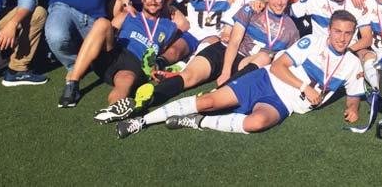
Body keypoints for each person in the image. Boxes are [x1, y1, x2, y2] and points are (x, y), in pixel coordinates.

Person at [116, 10, 365, 138]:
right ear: (330, 30)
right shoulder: (312, 42)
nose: (342, 38)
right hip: (266, 80)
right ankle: (141, 121)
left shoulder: (353, 64)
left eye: (348, 33)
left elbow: (353, 93)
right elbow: (278, 66)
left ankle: (199, 122)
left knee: (256, 123)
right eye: (338, 31)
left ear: (353, 34)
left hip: (283, 104)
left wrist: (353, 107)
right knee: (208, 101)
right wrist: (304, 87)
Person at [58, 0, 192, 108]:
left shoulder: (169, 26)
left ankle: (114, 109)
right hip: (114, 54)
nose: (153, 2)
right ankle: (72, 84)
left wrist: (169, 6)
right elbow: (104, 34)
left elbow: (185, 25)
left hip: (135, 65)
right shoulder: (128, 15)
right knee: (102, 23)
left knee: (125, 80)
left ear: (163, 0)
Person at [216, 0, 300, 85]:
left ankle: (226, 88)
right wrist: (225, 72)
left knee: (264, 58)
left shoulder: (292, 29)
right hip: (237, 57)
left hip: (261, 69)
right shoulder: (253, 9)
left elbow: (289, 60)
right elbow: (234, 42)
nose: (279, 3)